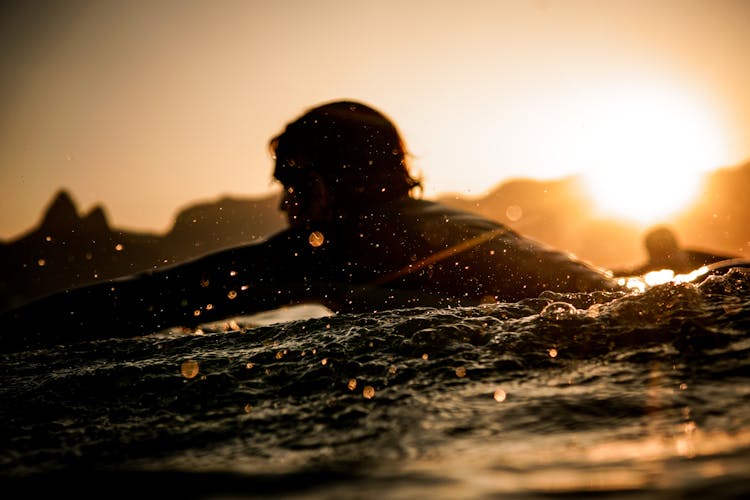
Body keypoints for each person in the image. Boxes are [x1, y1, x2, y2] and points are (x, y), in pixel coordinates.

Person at [1, 100, 622, 350]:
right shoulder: (450, 221)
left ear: (329, 181)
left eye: (292, 185)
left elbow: (152, 300)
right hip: (619, 311)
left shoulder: (341, 242)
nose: (285, 207)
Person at [612, 226, 739, 276]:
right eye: (658, 253)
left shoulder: (698, 257)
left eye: (667, 250)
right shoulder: (647, 271)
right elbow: (615, 275)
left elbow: (738, 262)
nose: (665, 259)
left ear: (678, 248)